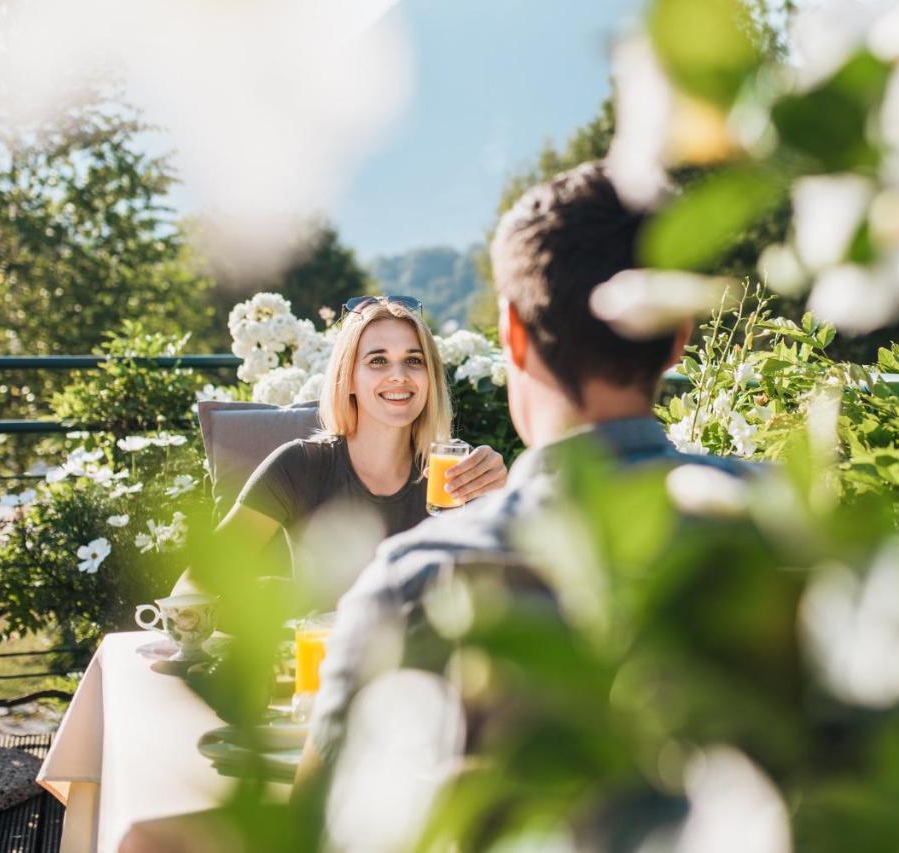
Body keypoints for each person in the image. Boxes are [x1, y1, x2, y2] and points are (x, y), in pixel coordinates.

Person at [296, 162, 751, 789]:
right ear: (678, 338)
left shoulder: (417, 585)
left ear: (511, 334)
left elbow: (316, 822)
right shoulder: (796, 527)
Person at [173, 296, 508, 596]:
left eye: (414, 361)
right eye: (378, 361)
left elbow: (513, 597)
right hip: (320, 660)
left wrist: (504, 497)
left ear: (430, 377)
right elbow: (193, 587)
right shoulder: (300, 466)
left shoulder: (455, 476)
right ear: (348, 378)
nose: (399, 375)